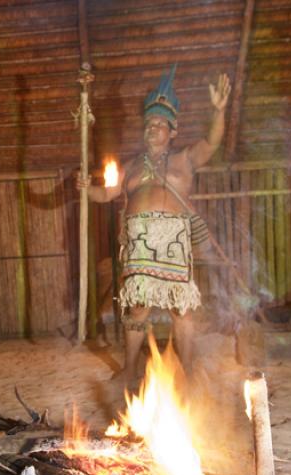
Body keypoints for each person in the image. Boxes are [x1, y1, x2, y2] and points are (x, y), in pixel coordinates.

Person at [79, 65, 231, 386]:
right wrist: (84, 189)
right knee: (137, 308)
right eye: (149, 123)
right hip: (139, 240)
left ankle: (186, 372)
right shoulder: (131, 166)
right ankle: (130, 369)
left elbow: (212, 142)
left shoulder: (184, 160)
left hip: (173, 239)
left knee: (181, 309)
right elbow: (106, 193)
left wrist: (218, 111)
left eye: (161, 123)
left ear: (173, 131)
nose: (153, 128)